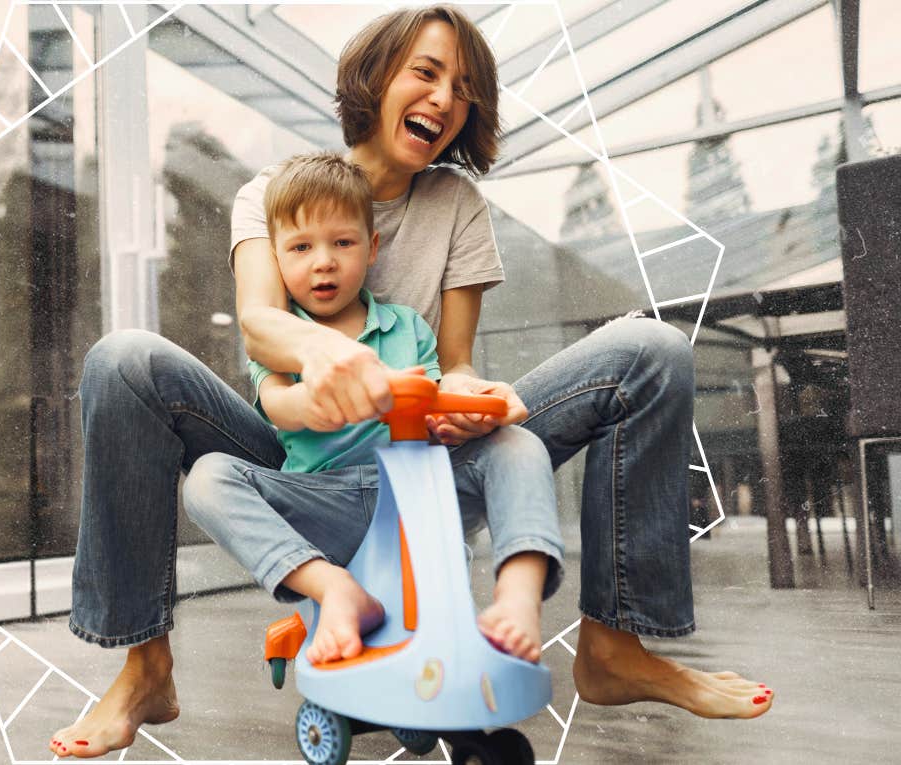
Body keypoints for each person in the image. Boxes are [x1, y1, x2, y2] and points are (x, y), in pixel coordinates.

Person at [51, 4, 772, 759]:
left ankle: (614, 648)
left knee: (651, 349)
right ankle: (145, 669)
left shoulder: (456, 203)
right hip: (297, 450)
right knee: (124, 359)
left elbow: (453, 358)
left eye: (461, 88)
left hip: (420, 456)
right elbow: (262, 323)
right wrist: (321, 356)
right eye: (425, 73)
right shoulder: (271, 192)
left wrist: (470, 404)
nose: (442, 98)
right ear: (375, 77)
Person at [183, 152, 563, 668]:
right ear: (276, 257)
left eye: (342, 242)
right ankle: (333, 587)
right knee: (207, 478)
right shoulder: (283, 339)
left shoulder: (408, 328)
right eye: (300, 247)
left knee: (519, 444)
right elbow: (277, 405)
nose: (324, 261)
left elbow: (433, 404)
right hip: (322, 502)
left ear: (371, 246)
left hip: (414, 493)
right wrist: (312, 402)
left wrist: (461, 416)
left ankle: (518, 598)